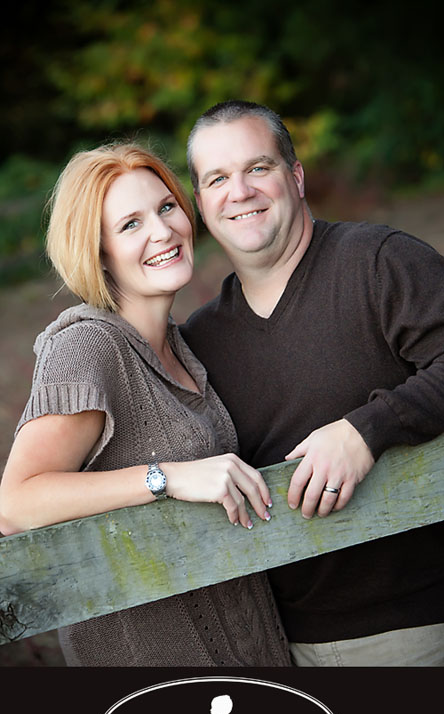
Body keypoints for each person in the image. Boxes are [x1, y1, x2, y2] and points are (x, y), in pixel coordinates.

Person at [0, 141, 291, 667]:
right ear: (98, 251)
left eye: (166, 207)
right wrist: (167, 478)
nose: (162, 231)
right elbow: (16, 504)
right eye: (130, 224)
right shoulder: (88, 346)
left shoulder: (182, 346)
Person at [181, 100, 444, 667]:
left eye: (258, 168)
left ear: (295, 177)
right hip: (281, 647)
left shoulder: (378, 263)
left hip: (416, 626)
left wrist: (366, 430)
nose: (240, 191)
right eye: (217, 179)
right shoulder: (199, 343)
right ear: (201, 205)